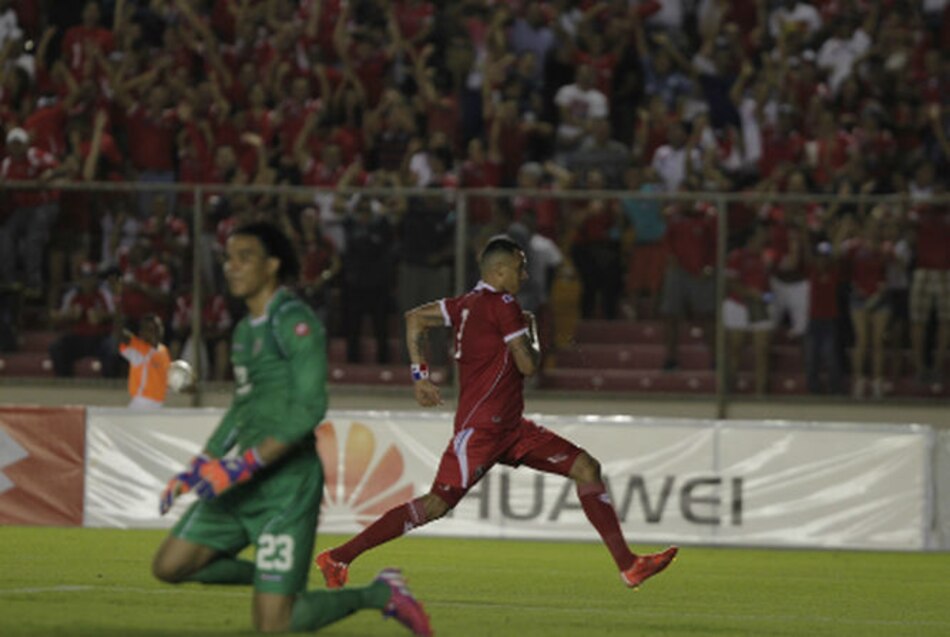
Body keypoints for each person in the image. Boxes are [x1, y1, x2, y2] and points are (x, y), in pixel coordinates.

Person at [316, 236, 678, 590]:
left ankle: (629, 565)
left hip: (512, 429)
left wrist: (419, 377)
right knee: (436, 505)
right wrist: (531, 333)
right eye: (520, 268)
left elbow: (414, 319)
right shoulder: (504, 304)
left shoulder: (464, 304)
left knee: (586, 468)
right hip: (482, 431)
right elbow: (528, 366)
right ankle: (339, 557)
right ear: (500, 271)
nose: (525, 276)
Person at [151, 222, 431, 637]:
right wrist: (200, 464)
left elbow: (310, 408)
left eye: (245, 257)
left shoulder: (295, 322)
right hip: (242, 482)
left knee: (276, 624)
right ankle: (275, 581)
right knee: (169, 565)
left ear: (271, 265)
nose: (231, 266)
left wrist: (241, 464)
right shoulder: (245, 330)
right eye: (228, 258)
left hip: (287, 486)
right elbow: (242, 409)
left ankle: (379, 593)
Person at [118, 313, 172, 409]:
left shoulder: (164, 351)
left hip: (159, 403)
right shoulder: (137, 350)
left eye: (157, 328)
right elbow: (121, 335)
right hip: (141, 403)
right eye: (149, 329)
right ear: (141, 333)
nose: (155, 332)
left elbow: (168, 376)